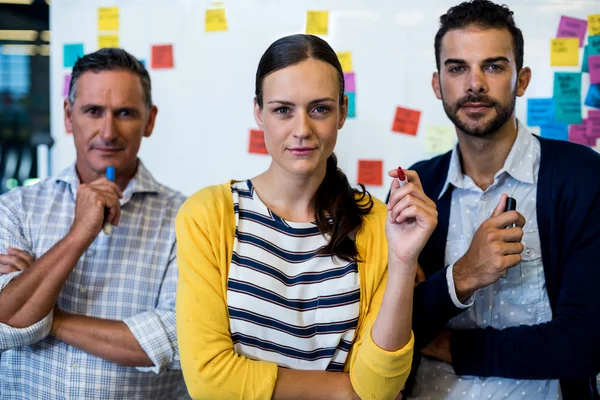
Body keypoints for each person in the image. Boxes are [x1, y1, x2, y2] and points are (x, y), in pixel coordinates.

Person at [176, 34, 438, 400]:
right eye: (283, 109)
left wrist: (404, 260)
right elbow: (210, 382)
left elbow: (379, 387)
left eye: (320, 109)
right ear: (258, 112)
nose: (301, 129)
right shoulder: (207, 215)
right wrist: (345, 391)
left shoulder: (379, 223)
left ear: (343, 112)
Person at [401, 1, 600, 399]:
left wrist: (454, 348)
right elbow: (393, 328)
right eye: (457, 68)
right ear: (438, 84)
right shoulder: (417, 185)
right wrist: (464, 275)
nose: (474, 84)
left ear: (521, 80)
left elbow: (585, 343)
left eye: (493, 66)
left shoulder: (581, 176)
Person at [0, 48, 189, 399]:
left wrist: (42, 312)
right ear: (69, 116)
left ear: (150, 121)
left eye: (125, 113)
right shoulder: (14, 209)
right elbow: (2, 328)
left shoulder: (187, 218)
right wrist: (78, 235)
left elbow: (178, 341)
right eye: (93, 111)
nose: (108, 131)